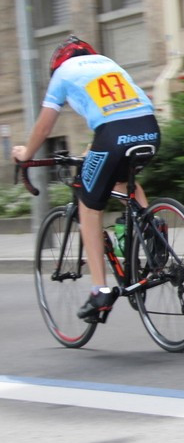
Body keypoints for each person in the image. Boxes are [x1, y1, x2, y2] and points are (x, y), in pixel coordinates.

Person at [12, 36, 160, 320]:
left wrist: (25, 153)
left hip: (114, 136)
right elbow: (125, 109)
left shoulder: (63, 74)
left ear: (57, 63)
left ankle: (99, 291)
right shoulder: (108, 64)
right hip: (150, 129)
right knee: (121, 178)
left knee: (89, 204)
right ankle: (151, 228)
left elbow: (43, 128)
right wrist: (92, 150)